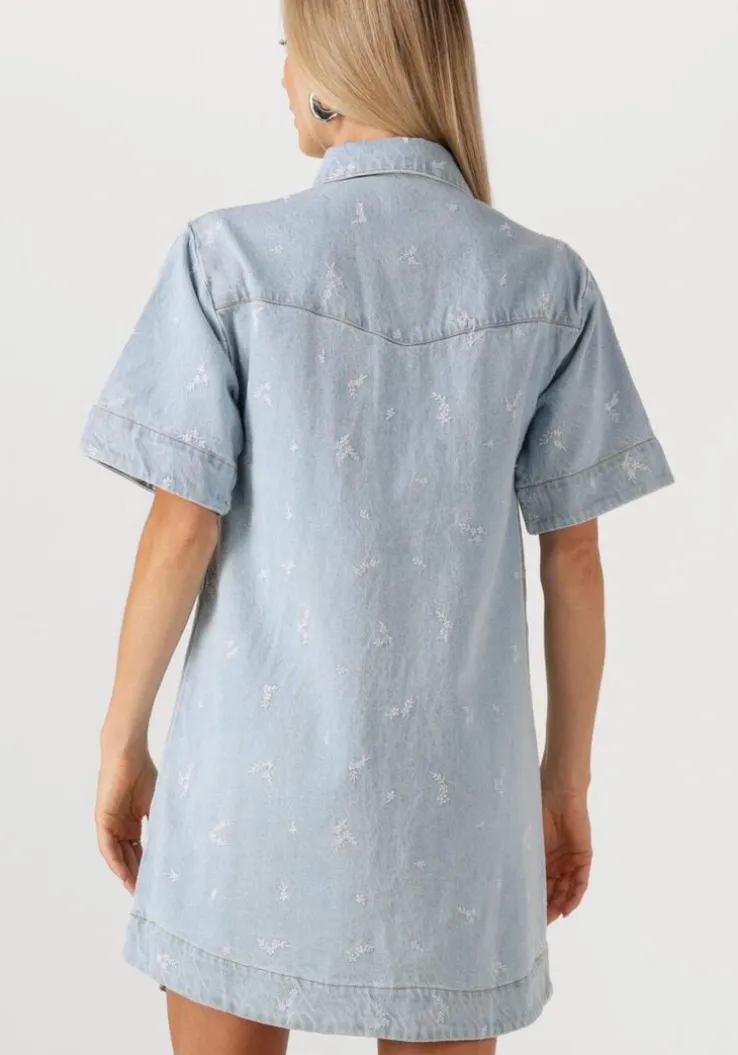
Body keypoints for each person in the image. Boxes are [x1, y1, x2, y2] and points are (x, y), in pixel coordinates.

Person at [79, 1, 675, 1052]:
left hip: (244, 801)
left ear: (335, 71)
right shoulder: (546, 282)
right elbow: (575, 557)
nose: (281, 77)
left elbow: (181, 527)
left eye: (290, 50)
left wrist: (121, 742)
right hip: (458, 813)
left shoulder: (229, 259)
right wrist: (563, 782)